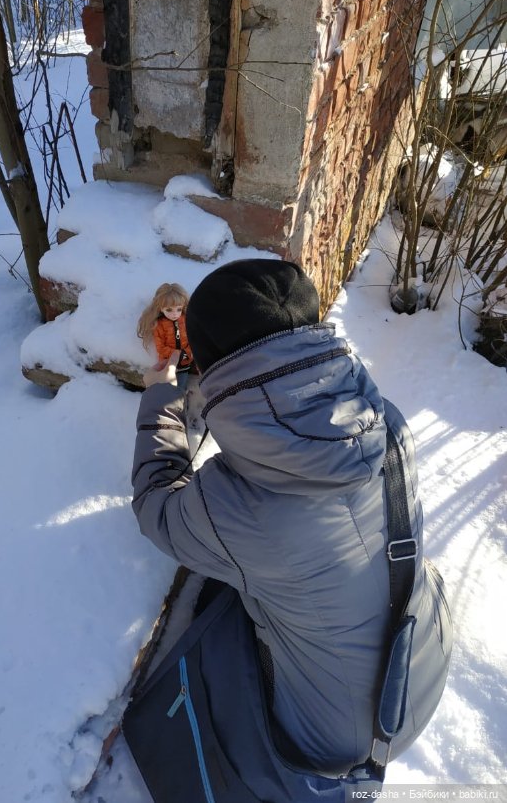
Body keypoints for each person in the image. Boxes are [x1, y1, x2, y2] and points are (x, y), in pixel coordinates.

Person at [131, 259, 452, 779]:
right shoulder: (385, 420)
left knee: (216, 621)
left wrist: (161, 399)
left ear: (213, 367)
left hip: (334, 738)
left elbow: (157, 509)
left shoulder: (240, 506)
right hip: (421, 662)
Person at [137, 283, 195, 390]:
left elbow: (192, 339)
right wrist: (178, 354)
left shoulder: (185, 319)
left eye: (179, 309)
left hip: (185, 363)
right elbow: (161, 347)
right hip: (167, 365)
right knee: (169, 389)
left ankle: (181, 399)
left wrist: (187, 352)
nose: (175, 314)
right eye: (169, 310)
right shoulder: (159, 325)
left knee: (181, 388)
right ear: (160, 308)